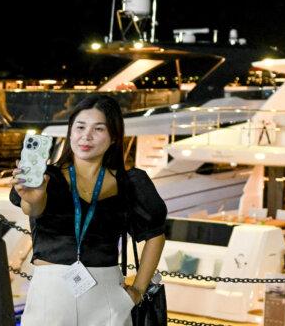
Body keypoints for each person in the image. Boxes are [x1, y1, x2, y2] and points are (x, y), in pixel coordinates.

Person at [10, 94, 167, 326]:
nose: (86, 136)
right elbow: (32, 209)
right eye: (80, 127)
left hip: (107, 295)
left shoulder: (130, 182)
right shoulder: (46, 177)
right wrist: (34, 197)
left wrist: (137, 290)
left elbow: (155, 235)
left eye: (98, 129)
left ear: (114, 137)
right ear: (70, 132)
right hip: (50, 294)